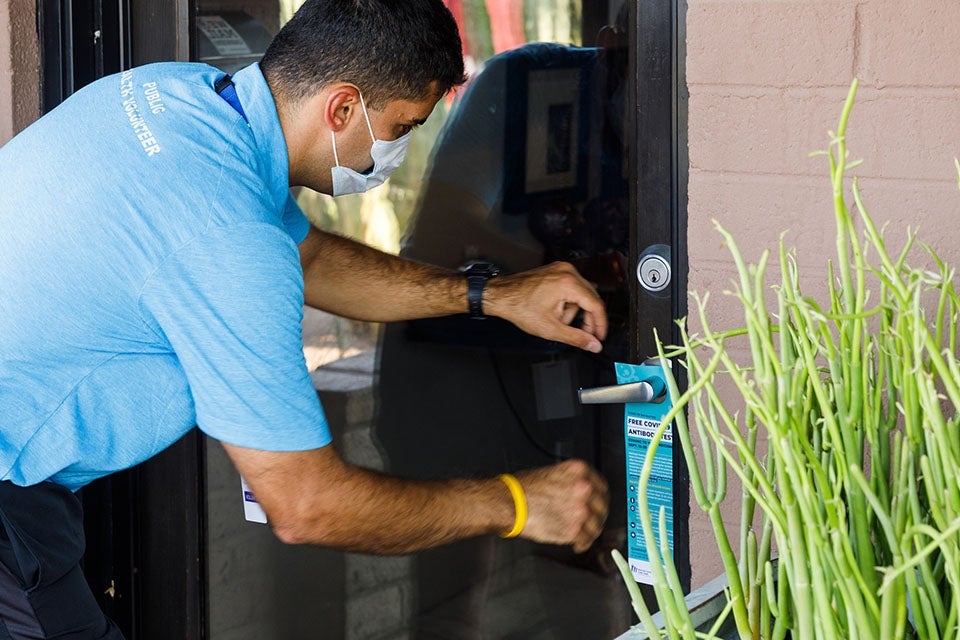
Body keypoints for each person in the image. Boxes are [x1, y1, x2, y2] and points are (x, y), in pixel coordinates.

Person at [0, 0, 609, 636]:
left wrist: (493, 296)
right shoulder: (228, 239)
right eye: (403, 126)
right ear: (343, 108)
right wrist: (515, 502)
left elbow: (309, 258)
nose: (399, 149)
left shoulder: (175, 96)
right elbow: (306, 504)